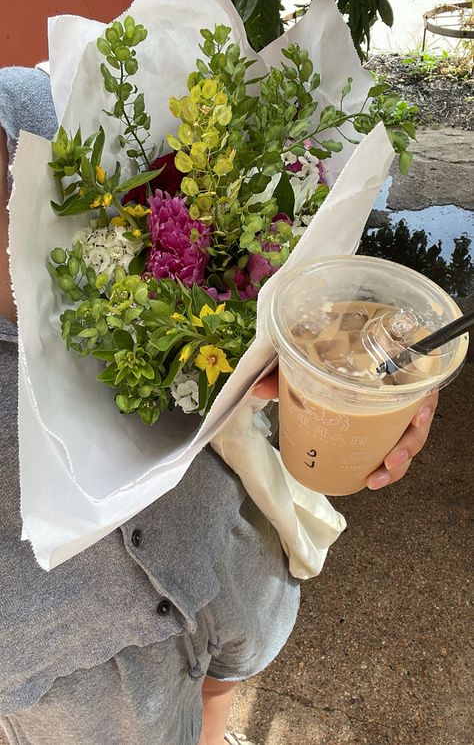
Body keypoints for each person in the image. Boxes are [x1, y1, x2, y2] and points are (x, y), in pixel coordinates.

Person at [0, 66, 438, 745]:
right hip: (77, 677)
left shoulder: (64, 109)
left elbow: (297, 298)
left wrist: (369, 354)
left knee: (231, 666)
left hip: (219, 536)